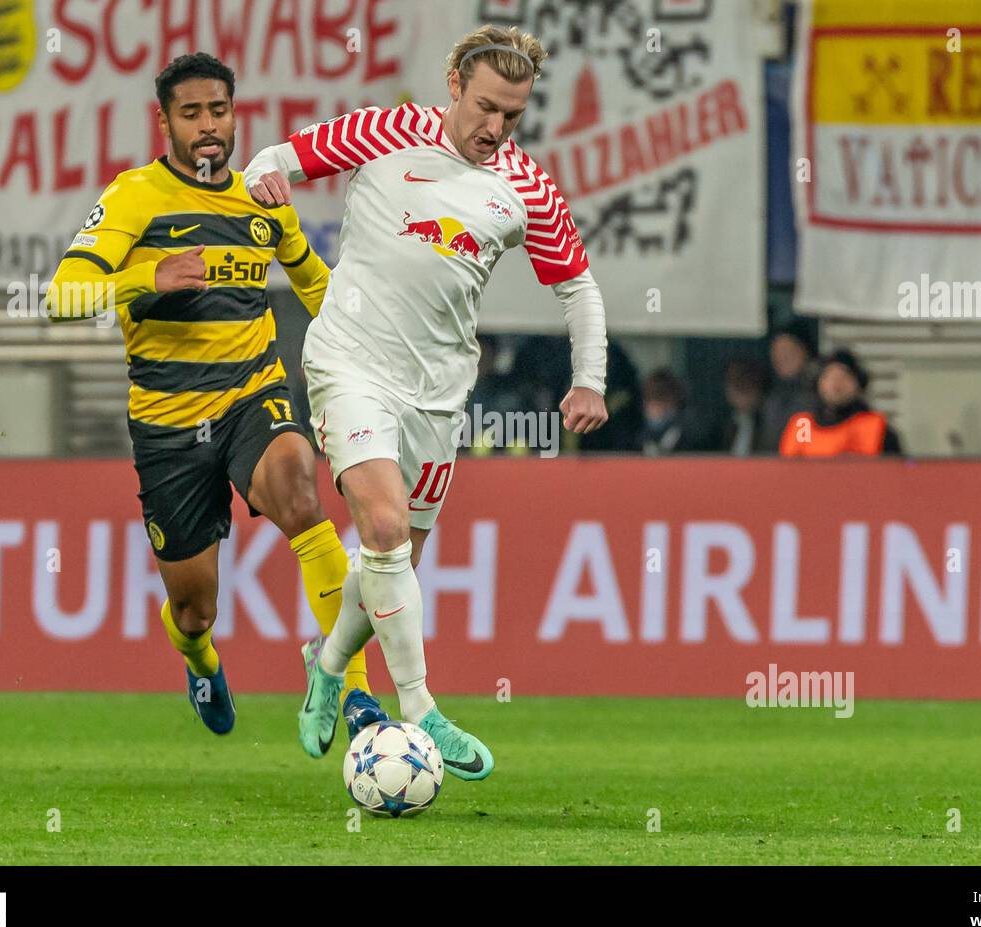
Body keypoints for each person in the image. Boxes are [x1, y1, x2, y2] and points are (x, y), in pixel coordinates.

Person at [245, 24, 610, 779]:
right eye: (484, 108)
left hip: (437, 396)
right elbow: (276, 157)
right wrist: (262, 175)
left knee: (393, 557)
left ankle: (326, 663)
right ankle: (420, 708)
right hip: (350, 364)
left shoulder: (525, 185)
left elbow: (576, 284)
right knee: (378, 523)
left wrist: (591, 378)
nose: (495, 128)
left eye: (512, 115)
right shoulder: (385, 131)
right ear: (453, 85)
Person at [44, 53, 376, 736]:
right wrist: (147, 277)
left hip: (252, 393)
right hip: (168, 426)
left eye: (217, 110)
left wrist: (379, 352)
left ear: (235, 113)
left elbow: (319, 290)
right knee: (194, 609)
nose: (207, 126)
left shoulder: (263, 198)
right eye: (190, 113)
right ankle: (200, 661)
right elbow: (59, 298)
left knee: (302, 495)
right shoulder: (136, 196)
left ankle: (354, 691)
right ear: (163, 121)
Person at [778, 348, 903, 457]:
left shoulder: (873, 426)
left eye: (845, 377)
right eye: (829, 376)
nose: (836, 384)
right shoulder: (803, 426)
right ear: (818, 383)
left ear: (858, 384)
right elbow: (789, 470)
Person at [759, 327, 817, 453]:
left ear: (805, 351)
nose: (782, 358)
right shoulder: (772, 393)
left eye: (788, 351)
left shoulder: (818, 393)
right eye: (776, 352)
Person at [639, 369, 710, 455]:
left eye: (660, 402)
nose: (655, 409)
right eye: (650, 401)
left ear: (673, 401)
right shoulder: (640, 433)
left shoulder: (691, 431)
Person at [719, 359, 768, 456]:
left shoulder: (769, 421)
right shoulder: (721, 424)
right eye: (734, 384)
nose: (740, 391)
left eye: (745, 385)